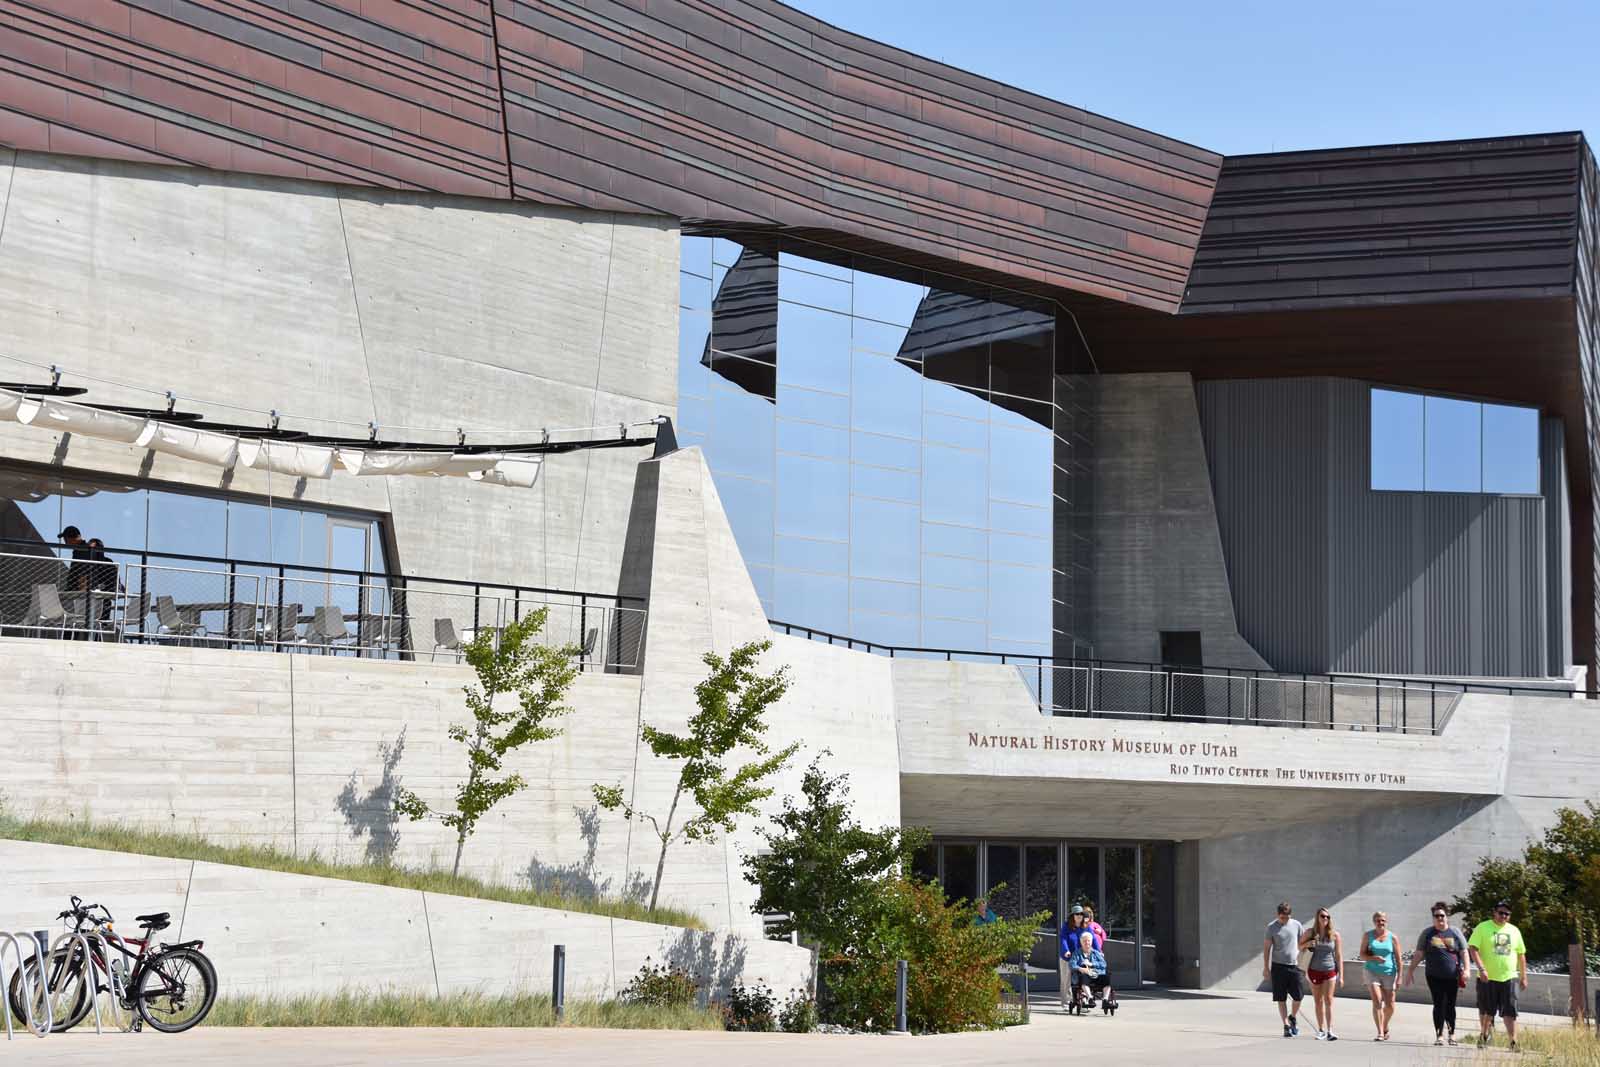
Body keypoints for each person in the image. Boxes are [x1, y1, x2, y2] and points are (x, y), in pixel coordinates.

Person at [1403, 901, 1468, 1046]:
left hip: (1452, 975)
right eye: (1436, 916)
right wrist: (1410, 971)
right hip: (1433, 975)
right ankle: (1439, 1035)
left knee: (1450, 1004)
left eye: (1442, 915)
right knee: (1439, 1003)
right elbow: (1419, 953)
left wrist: (1468, 969)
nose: (1440, 918)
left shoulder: (1455, 932)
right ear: (1433, 917)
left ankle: (1452, 1034)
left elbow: (1464, 952)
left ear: (1447, 916)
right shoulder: (1427, 933)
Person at [1467, 900, 1528, 1051]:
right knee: (1487, 1010)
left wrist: (1523, 976)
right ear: (1494, 912)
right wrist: (1481, 969)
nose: (1503, 916)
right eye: (1501, 913)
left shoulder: (1514, 930)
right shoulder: (1483, 927)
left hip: (1509, 977)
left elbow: (1521, 954)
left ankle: (1513, 1042)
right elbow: (1473, 948)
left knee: (1510, 1010)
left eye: (1507, 914)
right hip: (1488, 977)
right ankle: (1484, 1035)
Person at [1261, 901, 1305, 1038]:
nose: (1284, 920)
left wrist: (1304, 965)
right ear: (1277, 914)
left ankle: (1292, 1017)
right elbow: (1267, 948)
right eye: (1282, 917)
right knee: (1281, 998)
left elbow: (1302, 944)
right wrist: (1266, 968)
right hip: (1278, 966)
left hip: (1294, 966)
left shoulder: (1297, 925)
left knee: (1298, 997)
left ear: (1290, 915)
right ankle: (1286, 1025)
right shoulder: (1271, 927)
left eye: (1286, 917)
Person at [1299, 906, 1343, 1041]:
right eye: (1322, 916)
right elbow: (1299, 947)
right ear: (1317, 918)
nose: (1325, 919)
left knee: (1329, 1000)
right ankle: (1320, 1030)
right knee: (1318, 1001)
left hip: (1330, 970)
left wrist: (1341, 975)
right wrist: (1309, 943)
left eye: (1327, 917)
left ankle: (1330, 1030)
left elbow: (1339, 956)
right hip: (1314, 970)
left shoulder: (1335, 935)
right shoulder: (1310, 932)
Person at [1358, 910, 1399, 1041]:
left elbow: (1399, 959)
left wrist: (1400, 977)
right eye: (1378, 920)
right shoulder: (1368, 936)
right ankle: (1380, 1032)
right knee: (1377, 1000)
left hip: (1389, 972)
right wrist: (1374, 958)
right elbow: (1362, 955)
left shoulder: (1392, 937)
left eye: (1383, 920)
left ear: (1386, 922)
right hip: (1372, 971)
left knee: (1390, 1005)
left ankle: (1385, 1025)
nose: (1380, 923)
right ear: (1374, 922)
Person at [1069, 928, 1111, 1009]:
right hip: (1085, 975)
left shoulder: (1096, 953)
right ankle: (1090, 998)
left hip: (1097, 974)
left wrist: (1092, 964)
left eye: (1088, 941)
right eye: (1084, 941)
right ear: (1081, 942)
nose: (1087, 943)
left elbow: (1104, 964)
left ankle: (1105, 1000)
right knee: (1084, 978)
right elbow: (1072, 964)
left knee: (1107, 979)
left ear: (1091, 942)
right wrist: (1080, 968)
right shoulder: (1077, 953)